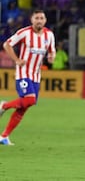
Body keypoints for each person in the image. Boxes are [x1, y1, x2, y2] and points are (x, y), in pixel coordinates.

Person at [0, 9, 56, 145]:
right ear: (32, 20)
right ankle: (4, 105)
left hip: (36, 75)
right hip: (23, 72)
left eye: (41, 18)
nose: (39, 21)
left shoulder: (49, 35)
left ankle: (4, 136)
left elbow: (52, 51)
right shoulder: (24, 33)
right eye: (36, 18)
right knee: (29, 100)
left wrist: (51, 56)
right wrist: (17, 60)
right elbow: (7, 44)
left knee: (24, 107)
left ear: (45, 20)